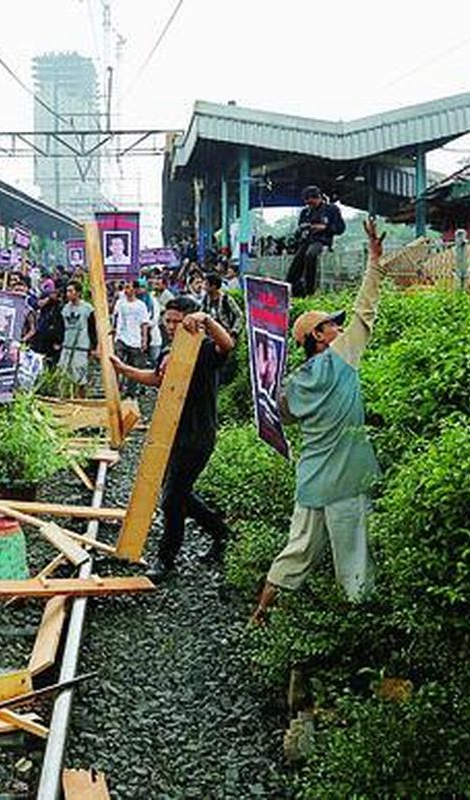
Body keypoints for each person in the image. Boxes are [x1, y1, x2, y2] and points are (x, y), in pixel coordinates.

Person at [252, 218, 388, 624]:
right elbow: (367, 306)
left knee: (296, 550)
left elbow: (280, 417)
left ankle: (260, 613)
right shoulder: (344, 357)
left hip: (311, 479)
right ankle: (357, 629)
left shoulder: (294, 383)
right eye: (332, 323)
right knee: (354, 556)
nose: (339, 325)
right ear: (319, 336)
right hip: (347, 478)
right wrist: (375, 260)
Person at [111, 297, 236, 580]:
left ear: (190, 320)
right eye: (167, 320)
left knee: (171, 499)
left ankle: (166, 560)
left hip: (197, 437)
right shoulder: (169, 350)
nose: (170, 326)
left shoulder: (203, 348)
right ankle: (221, 533)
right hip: (169, 435)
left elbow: (227, 345)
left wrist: (206, 319)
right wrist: (124, 370)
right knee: (178, 494)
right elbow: (157, 379)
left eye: (176, 320)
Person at [286, 185, 345, 298]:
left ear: (319, 198)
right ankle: (293, 293)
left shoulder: (331, 209)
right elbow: (298, 231)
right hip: (306, 240)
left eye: (312, 202)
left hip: (322, 240)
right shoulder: (305, 212)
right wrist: (302, 228)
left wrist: (324, 228)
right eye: (307, 203)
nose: (310, 205)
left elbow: (340, 228)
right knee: (295, 267)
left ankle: (310, 290)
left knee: (310, 255)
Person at [112, 281, 151, 398]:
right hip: (121, 337)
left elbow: (144, 324)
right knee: (117, 364)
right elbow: (115, 316)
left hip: (135, 340)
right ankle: (115, 389)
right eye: (125, 287)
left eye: (128, 287)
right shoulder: (119, 303)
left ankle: (130, 393)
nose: (126, 290)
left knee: (133, 368)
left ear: (135, 289)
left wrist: (144, 340)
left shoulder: (141, 305)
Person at [59, 281, 96, 397]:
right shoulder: (65, 309)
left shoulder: (87, 309)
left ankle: (82, 399)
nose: (68, 294)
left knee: (80, 376)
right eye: (67, 291)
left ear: (78, 293)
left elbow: (92, 329)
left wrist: (94, 347)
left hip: (81, 346)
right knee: (64, 374)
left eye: (71, 291)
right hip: (67, 346)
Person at [30, 279, 65, 367]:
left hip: (52, 342)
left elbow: (60, 326)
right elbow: (37, 305)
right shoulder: (44, 307)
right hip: (40, 339)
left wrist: (58, 342)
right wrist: (48, 298)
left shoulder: (59, 308)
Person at [148, 272, 175, 367]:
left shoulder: (168, 296)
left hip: (164, 324)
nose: (156, 286)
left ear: (164, 285)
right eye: (155, 284)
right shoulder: (154, 294)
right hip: (156, 324)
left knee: (164, 344)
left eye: (158, 284)